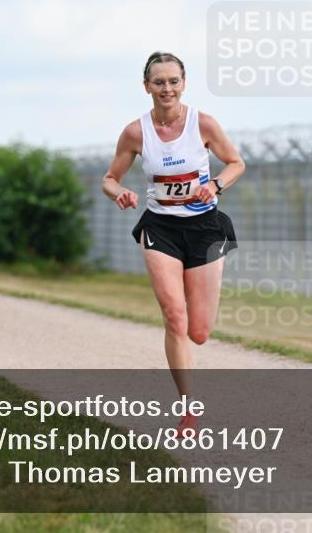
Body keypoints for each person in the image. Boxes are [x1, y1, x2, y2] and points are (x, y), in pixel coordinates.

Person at [102, 51, 245, 437]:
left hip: (205, 228)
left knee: (199, 331)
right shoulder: (135, 132)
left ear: (184, 83)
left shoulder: (203, 124)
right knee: (173, 317)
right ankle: (188, 411)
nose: (167, 88)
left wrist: (214, 185)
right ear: (146, 86)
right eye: (159, 82)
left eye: (173, 81)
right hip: (159, 228)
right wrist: (120, 193)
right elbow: (109, 178)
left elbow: (236, 163)